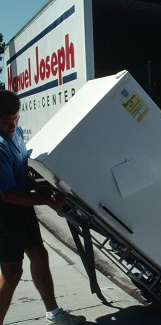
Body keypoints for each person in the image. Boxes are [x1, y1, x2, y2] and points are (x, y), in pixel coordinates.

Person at [0, 90, 86, 325]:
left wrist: (40, 188)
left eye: (16, 119)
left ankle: (54, 314)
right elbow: (8, 195)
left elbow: (22, 171)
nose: (12, 126)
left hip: (21, 209)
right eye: (6, 122)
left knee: (39, 254)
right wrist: (46, 200)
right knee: (12, 272)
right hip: (5, 214)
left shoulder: (16, 132)